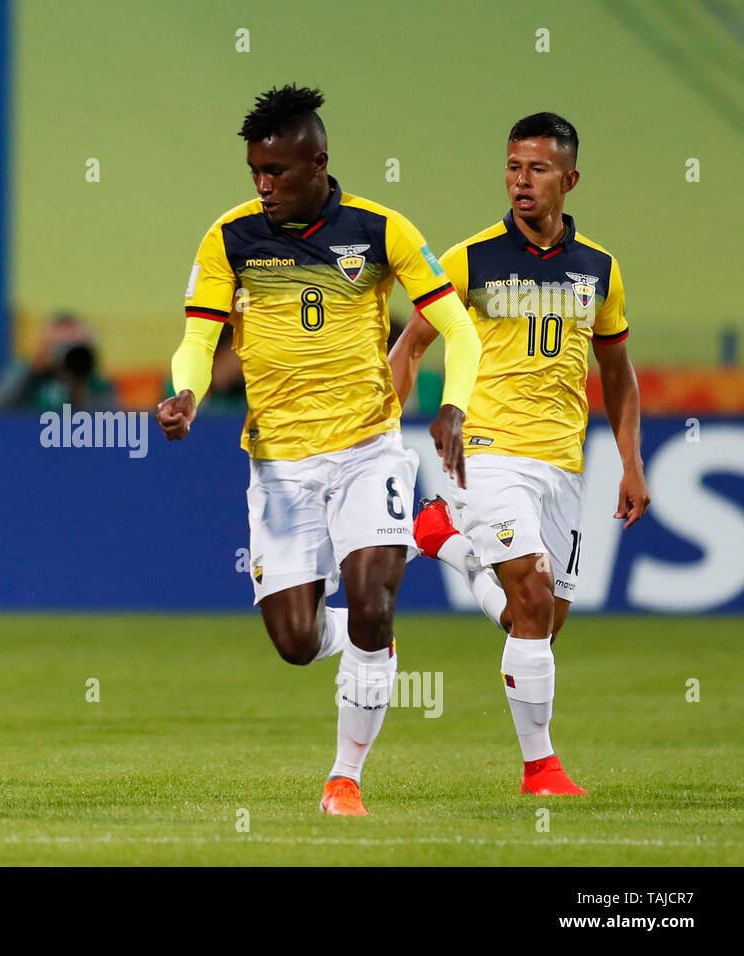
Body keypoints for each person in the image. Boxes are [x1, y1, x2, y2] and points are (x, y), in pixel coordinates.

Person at [157, 86, 482, 816]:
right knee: (296, 641)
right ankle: (410, 568)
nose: (264, 186)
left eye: (276, 171)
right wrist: (186, 392)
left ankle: (344, 779)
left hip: (368, 449)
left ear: (318, 163)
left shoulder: (381, 230)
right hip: (278, 467)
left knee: (371, 608)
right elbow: (199, 338)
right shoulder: (230, 239)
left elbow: (460, 330)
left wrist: (454, 404)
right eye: (254, 173)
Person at [390, 112, 648, 796]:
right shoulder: (470, 258)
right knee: (531, 597)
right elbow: (413, 346)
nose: (521, 181)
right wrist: (382, 431)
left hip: (563, 461)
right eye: (512, 166)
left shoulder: (599, 268)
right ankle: (542, 770)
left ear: (569, 178)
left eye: (536, 169)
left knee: (536, 622)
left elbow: (618, 372)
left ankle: (442, 537)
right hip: (485, 450)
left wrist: (631, 462)